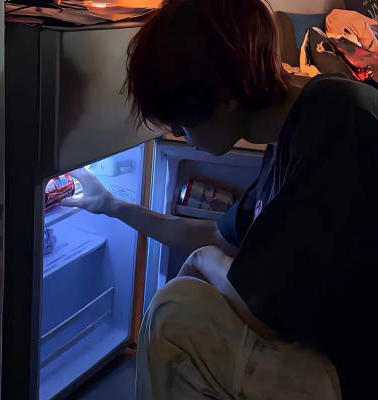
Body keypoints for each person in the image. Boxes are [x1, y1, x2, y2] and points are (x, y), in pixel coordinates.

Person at [62, 0, 378, 399]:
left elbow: (262, 315)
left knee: (175, 313)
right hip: (330, 353)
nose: (178, 133)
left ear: (225, 95)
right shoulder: (297, 124)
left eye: (180, 121)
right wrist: (112, 205)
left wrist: (204, 261)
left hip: (355, 374)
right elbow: (218, 235)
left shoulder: (339, 125)